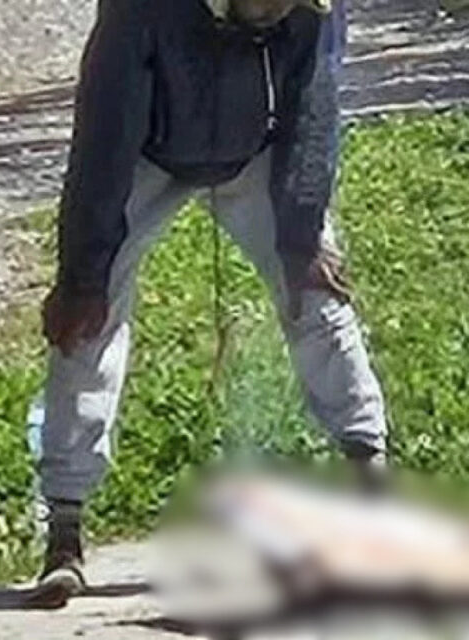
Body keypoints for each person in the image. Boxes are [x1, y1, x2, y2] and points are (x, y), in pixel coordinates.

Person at [36, 0, 387, 602]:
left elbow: (314, 115)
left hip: (258, 154)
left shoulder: (312, 10)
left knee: (317, 291)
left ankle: (370, 477)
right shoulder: (138, 13)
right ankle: (64, 531)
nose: (280, 14)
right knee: (87, 322)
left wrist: (301, 235)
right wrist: (83, 275)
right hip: (147, 153)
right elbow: (103, 140)